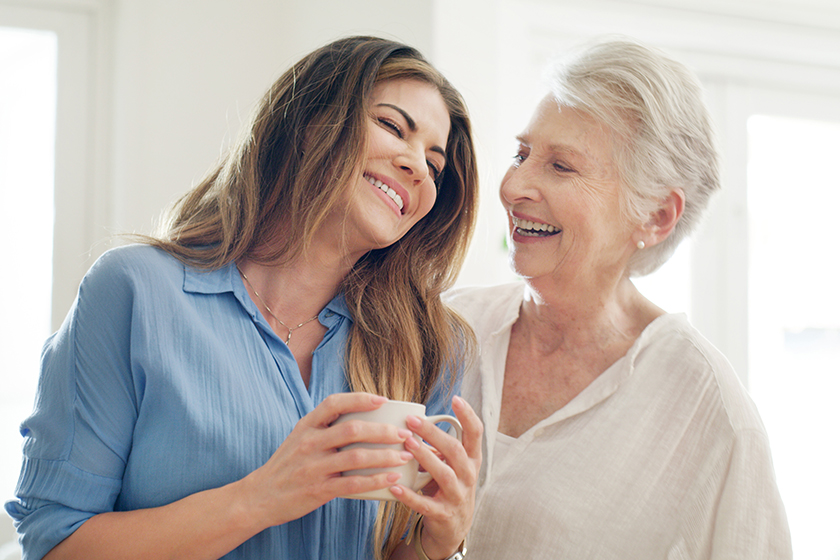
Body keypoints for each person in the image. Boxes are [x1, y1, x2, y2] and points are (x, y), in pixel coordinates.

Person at [5, 36, 482, 560]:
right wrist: (259, 500)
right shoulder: (134, 293)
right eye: (393, 127)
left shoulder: (432, 345)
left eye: (435, 167)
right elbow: (54, 545)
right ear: (308, 123)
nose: (418, 167)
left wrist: (439, 545)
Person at [445, 37, 791, 559]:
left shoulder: (709, 410)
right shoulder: (447, 328)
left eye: (561, 166)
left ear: (655, 216)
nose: (514, 186)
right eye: (522, 154)